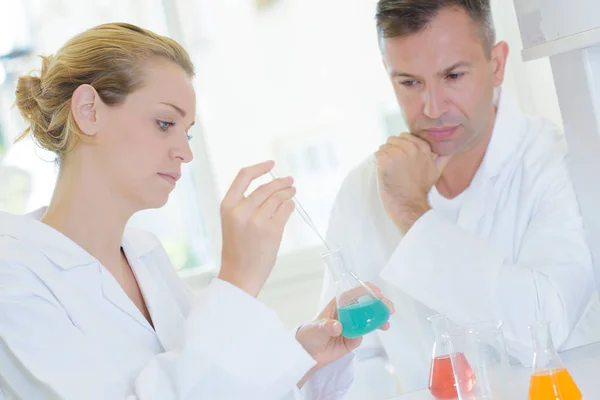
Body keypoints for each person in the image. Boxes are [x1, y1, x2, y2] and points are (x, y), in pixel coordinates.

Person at [0, 23, 393, 400]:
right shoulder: (13, 275)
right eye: (164, 123)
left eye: (186, 133)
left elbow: (204, 383)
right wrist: (238, 277)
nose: (185, 152)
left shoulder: (145, 255)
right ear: (89, 110)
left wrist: (299, 356)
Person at [318, 0, 600, 394]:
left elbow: (543, 330)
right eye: (409, 82)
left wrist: (412, 216)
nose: (432, 108)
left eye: (452, 75)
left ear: (497, 64)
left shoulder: (558, 163)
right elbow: (351, 358)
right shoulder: (361, 189)